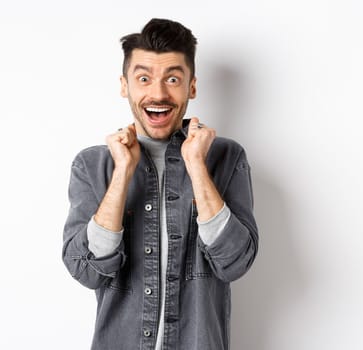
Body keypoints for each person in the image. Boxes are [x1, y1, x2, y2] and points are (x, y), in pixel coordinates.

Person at [61, 18, 258, 350]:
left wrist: (195, 165)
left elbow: (235, 262)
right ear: (125, 86)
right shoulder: (92, 165)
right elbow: (88, 271)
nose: (158, 93)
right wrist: (122, 173)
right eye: (143, 78)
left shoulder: (226, 157)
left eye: (172, 79)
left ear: (191, 87)